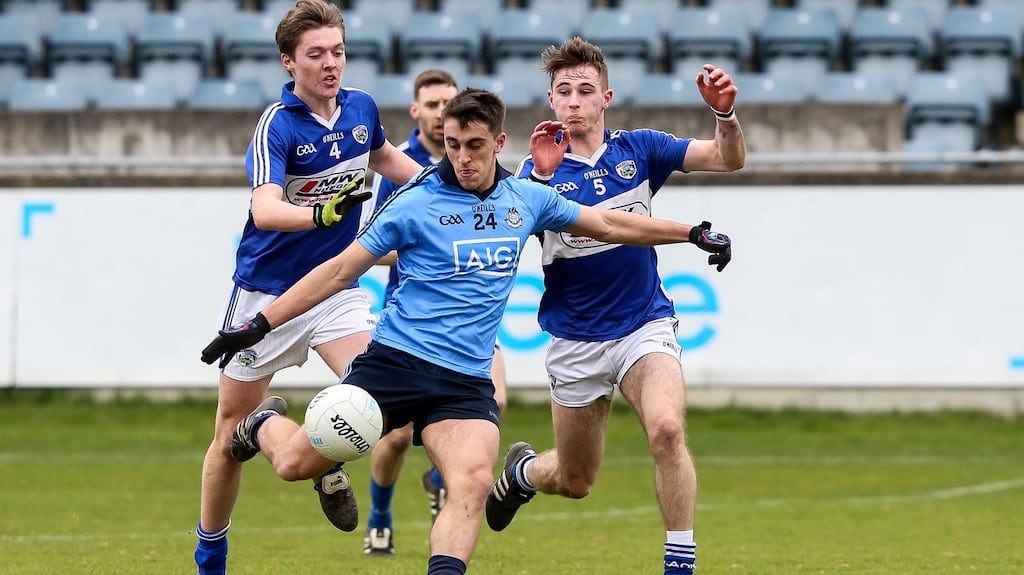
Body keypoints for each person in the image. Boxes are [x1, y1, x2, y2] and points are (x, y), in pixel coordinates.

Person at [199, 87, 732, 575]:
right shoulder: (413, 202)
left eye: (475, 145)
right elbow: (340, 270)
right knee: (295, 465)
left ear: (499, 142)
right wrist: (260, 324)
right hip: (394, 365)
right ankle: (263, 423)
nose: (463, 158)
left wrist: (689, 232)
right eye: (453, 145)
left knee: (473, 483)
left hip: (464, 380)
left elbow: (612, 224)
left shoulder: (526, 199)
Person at [484, 37, 746, 575]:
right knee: (575, 481)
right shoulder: (533, 172)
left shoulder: (641, 150)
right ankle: (524, 473)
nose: (574, 100)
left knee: (668, 429)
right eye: (564, 91)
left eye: (585, 90)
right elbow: (507, 233)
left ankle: (681, 564)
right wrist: (535, 179)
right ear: (551, 101)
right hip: (576, 339)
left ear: (606, 97)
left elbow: (727, 159)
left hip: (642, 325)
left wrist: (726, 115)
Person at [193, 2, 422, 574]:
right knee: (226, 437)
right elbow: (265, 209)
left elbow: (389, 160)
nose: (329, 64)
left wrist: (457, 192)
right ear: (288, 61)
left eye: (337, 52)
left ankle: (320, 458)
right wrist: (321, 213)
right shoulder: (280, 122)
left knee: (379, 399)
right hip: (267, 293)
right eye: (315, 54)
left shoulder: (362, 108)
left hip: (336, 287)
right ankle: (211, 555)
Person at [362, 68, 509, 557]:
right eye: (431, 105)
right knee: (395, 436)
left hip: (468, 325)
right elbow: (371, 244)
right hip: (412, 326)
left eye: (446, 102)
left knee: (497, 400)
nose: (438, 111)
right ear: (417, 111)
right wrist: (426, 246)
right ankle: (380, 512)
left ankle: (441, 475)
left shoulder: (480, 164)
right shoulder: (401, 169)